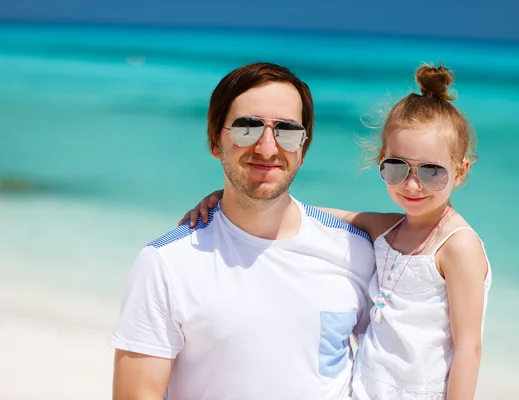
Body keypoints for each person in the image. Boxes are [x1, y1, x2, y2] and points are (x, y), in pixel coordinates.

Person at [181, 63, 492, 400]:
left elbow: (468, 350)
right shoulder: (387, 228)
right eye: (397, 168)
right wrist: (225, 200)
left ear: (460, 171)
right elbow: (301, 213)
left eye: (432, 173)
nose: (412, 184)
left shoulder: (458, 246)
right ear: (381, 161)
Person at [107, 62, 376, 400]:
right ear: (215, 141)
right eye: (246, 128)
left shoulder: (355, 251)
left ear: (303, 149)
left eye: (287, 131)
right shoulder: (166, 264)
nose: (267, 148)